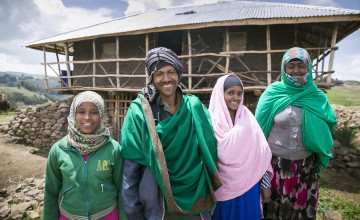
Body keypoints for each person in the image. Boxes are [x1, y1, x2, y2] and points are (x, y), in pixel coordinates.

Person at [120, 47, 222, 220]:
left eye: (171, 72)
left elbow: (210, 151)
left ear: (179, 74)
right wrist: (133, 212)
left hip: (197, 204)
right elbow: (130, 170)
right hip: (160, 208)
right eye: (159, 73)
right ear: (152, 78)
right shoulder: (139, 113)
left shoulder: (194, 107)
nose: (166, 79)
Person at [255, 47, 336, 219]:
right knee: (274, 212)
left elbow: (328, 123)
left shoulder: (316, 96)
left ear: (308, 68)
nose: (296, 70)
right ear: (284, 68)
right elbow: (258, 135)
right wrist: (263, 177)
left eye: (301, 65)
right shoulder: (272, 94)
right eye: (290, 66)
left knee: (301, 213)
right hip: (276, 168)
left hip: (306, 168)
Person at [43, 91, 125, 220]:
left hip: (107, 215)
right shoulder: (59, 150)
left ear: (101, 114)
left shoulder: (113, 149)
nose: (87, 117)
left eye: (93, 112)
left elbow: (122, 190)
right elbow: (51, 192)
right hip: (69, 216)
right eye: (81, 112)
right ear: (73, 115)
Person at [208, 74, 273, 220]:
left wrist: (265, 184)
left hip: (249, 186)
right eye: (230, 92)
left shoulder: (248, 118)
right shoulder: (210, 121)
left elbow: (260, 154)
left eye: (239, 93)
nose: (235, 97)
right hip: (221, 188)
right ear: (220, 93)